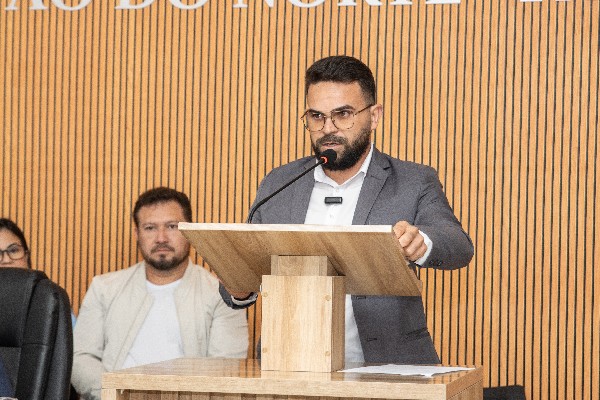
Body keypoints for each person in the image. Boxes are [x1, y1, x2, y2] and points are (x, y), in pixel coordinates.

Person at [222, 56, 474, 365]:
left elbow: (458, 245)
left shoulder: (413, 180)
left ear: (374, 116)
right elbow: (241, 274)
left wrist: (422, 242)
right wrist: (239, 288)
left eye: (343, 114)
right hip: (290, 369)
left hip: (388, 369)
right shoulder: (280, 183)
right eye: (316, 116)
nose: (328, 129)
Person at [72, 187, 249, 400]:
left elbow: (226, 370)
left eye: (172, 226)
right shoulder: (104, 288)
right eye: (150, 228)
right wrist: (116, 394)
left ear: (189, 231)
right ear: (137, 234)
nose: (161, 238)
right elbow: (80, 358)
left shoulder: (223, 296)